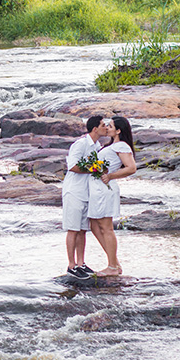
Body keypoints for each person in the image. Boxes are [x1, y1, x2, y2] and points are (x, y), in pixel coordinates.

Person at [88, 116, 137, 276]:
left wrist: (111, 176)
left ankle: (112, 267)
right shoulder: (110, 145)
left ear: (118, 131)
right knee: (94, 226)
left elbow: (131, 168)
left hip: (106, 189)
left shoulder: (122, 145)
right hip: (98, 189)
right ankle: (115, 263)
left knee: (106, 228)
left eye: (110, 126)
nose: (107, 128)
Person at [62, 115, 107, 279]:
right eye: (103, 125)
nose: (106, 127)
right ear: (95, 128)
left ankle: (81, 263)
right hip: (74, 191)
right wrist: (93, 169)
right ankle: (71, 265)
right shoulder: (80, 144)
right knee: (73, 229)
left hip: (87, 192)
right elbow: (72, 166)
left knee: (82, 230)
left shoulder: (97, 146)